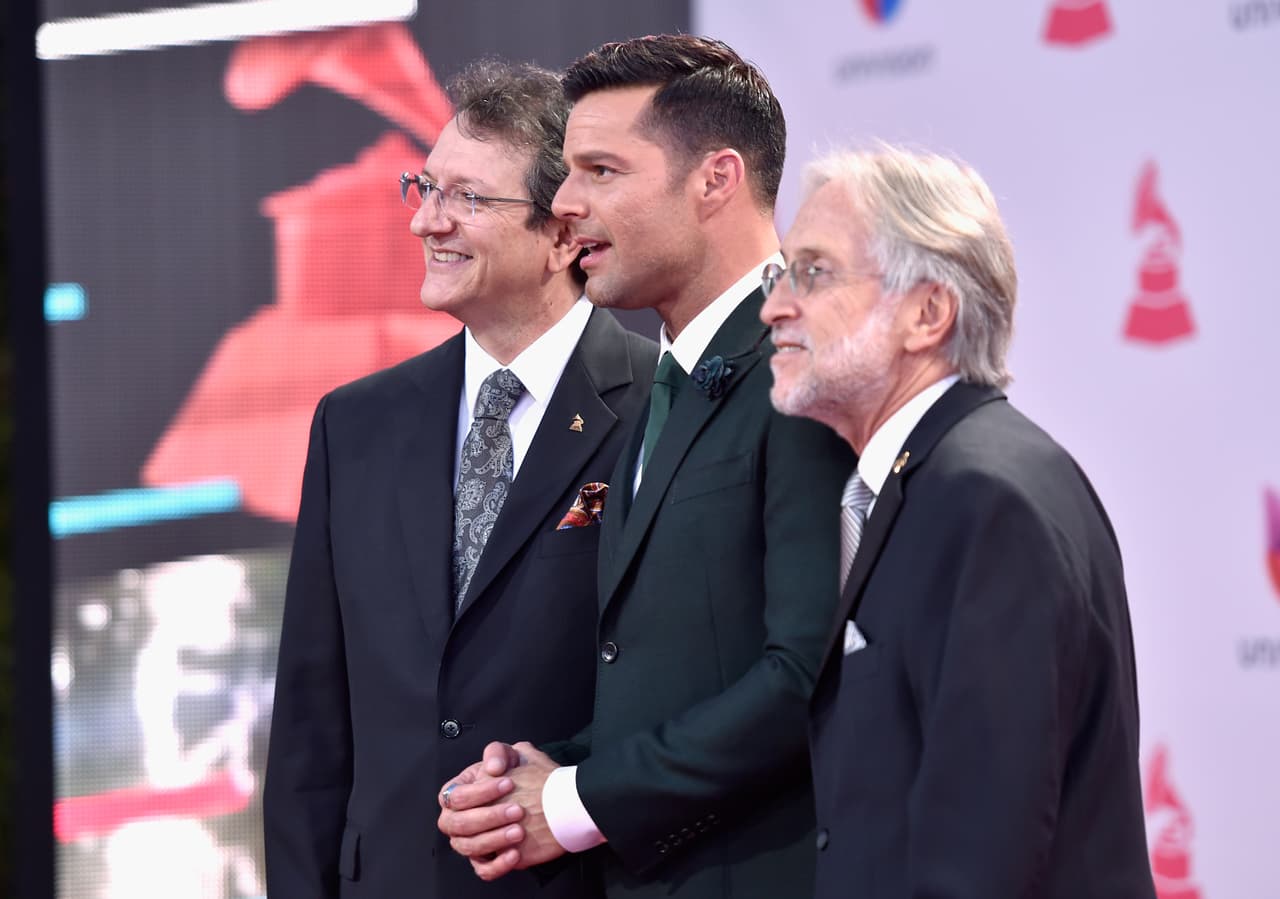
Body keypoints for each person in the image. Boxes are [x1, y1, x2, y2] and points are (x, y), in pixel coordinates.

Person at [436, 35, 854, 899]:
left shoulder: (807, 371)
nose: (565, 201)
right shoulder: (658, 384)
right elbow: (676, 677)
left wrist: (578, 799)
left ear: (715, 180)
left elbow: (801, 679)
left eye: (600, 171)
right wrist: (542, 778)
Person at [263, 59, 657, 898]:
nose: (425, 223)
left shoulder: (666, 409)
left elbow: (687, 697)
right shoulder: (354, 424)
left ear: (563, 235)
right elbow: (309, 726)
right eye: (424, 186)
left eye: (467, 199)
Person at [760, 145, 1157, 898]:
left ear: (927, 312)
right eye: (782, 272)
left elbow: (983, 844)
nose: (775, 304)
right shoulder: (928, 479)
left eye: (812, 272)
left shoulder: (984, 496)